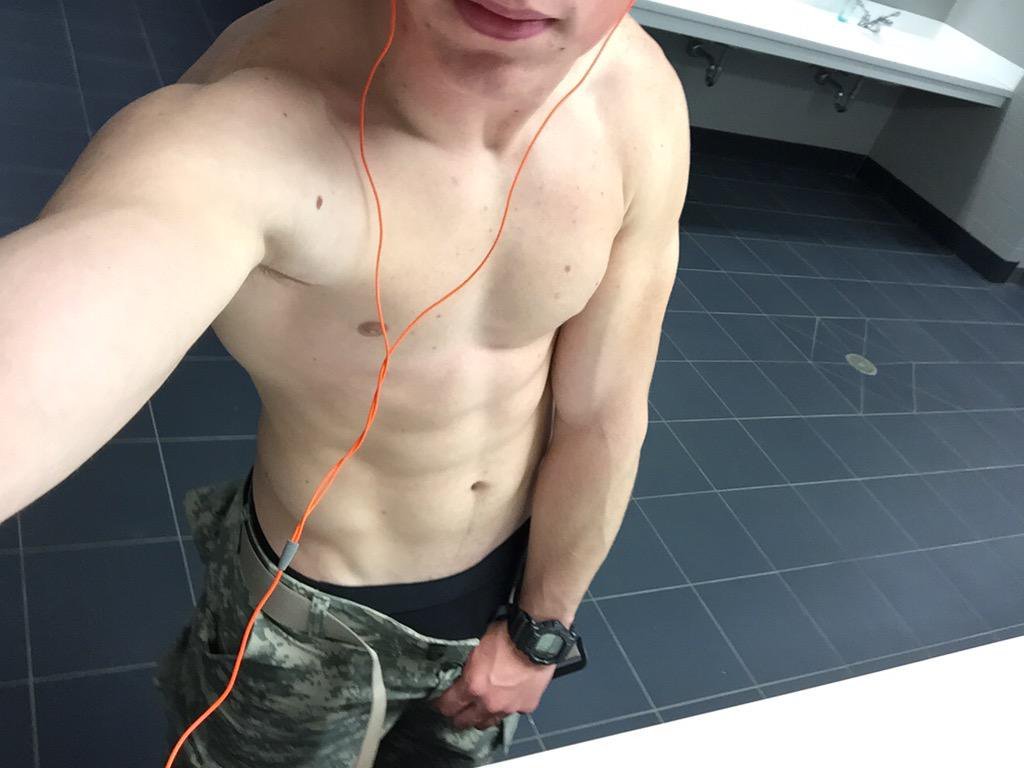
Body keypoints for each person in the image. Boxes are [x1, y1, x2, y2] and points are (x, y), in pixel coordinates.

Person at [0, 0, 690, 765]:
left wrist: (540, 631)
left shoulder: (638, 102)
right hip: (309, 625)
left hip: (505, 599)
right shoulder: (237, 121)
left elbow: (603, 412)